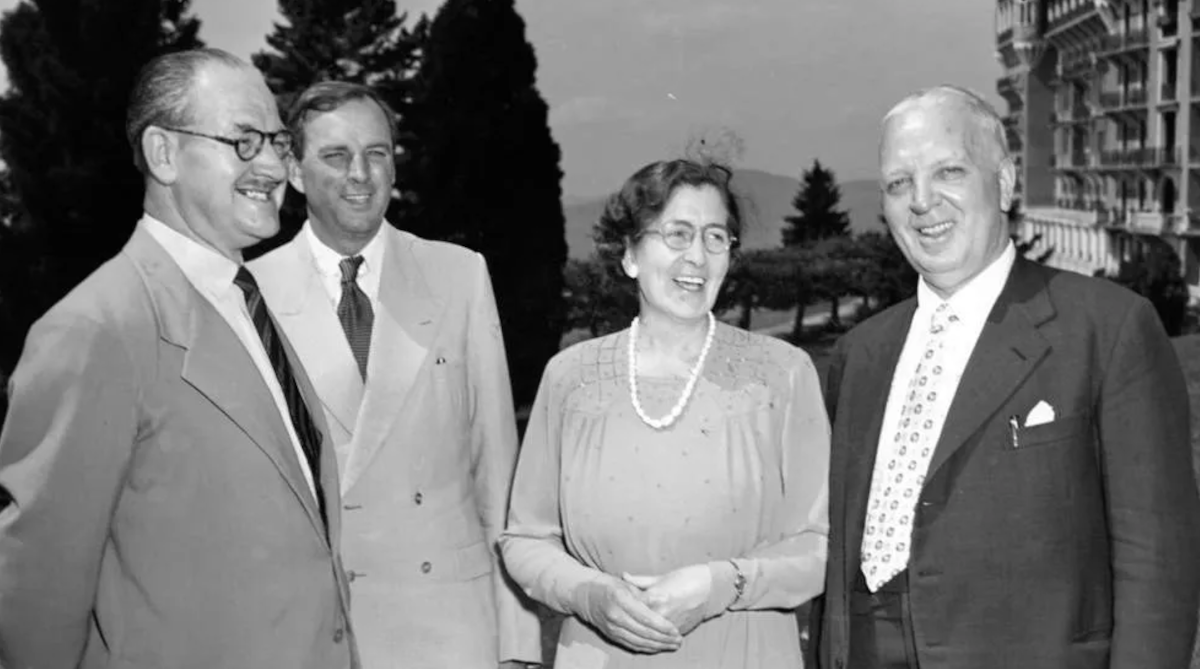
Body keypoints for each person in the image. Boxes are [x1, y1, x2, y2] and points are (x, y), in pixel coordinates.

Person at [816, 85, 1200, 669]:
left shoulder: (1108, 329)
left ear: (1004, 182)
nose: (921, 201)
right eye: (898, 183)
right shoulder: (859, 356)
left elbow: (1159, 568)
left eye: (948, 171)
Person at [0, 49, 357, 668]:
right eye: (243, 141)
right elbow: (39, 591)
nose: (273, 164)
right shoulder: (95, 330)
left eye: (276, 139)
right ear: (163, 154)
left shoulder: (247, 302)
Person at [248, 81, 541, 669]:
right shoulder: (250, 293)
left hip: (448, 627)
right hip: (315, 628)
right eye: (336, 156)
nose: (361, 173)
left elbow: (498, 468)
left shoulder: (458, 275)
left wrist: (519, 641)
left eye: (376, 154)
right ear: (295, 172)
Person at [501, 158, 829, 668]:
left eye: (715, 237)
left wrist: (721, 584)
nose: (696, 256)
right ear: (630, 254)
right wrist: (591, 595)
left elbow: (820, 548)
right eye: (676, 234)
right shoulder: (569, 378)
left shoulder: (783, 375)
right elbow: (525, 540)